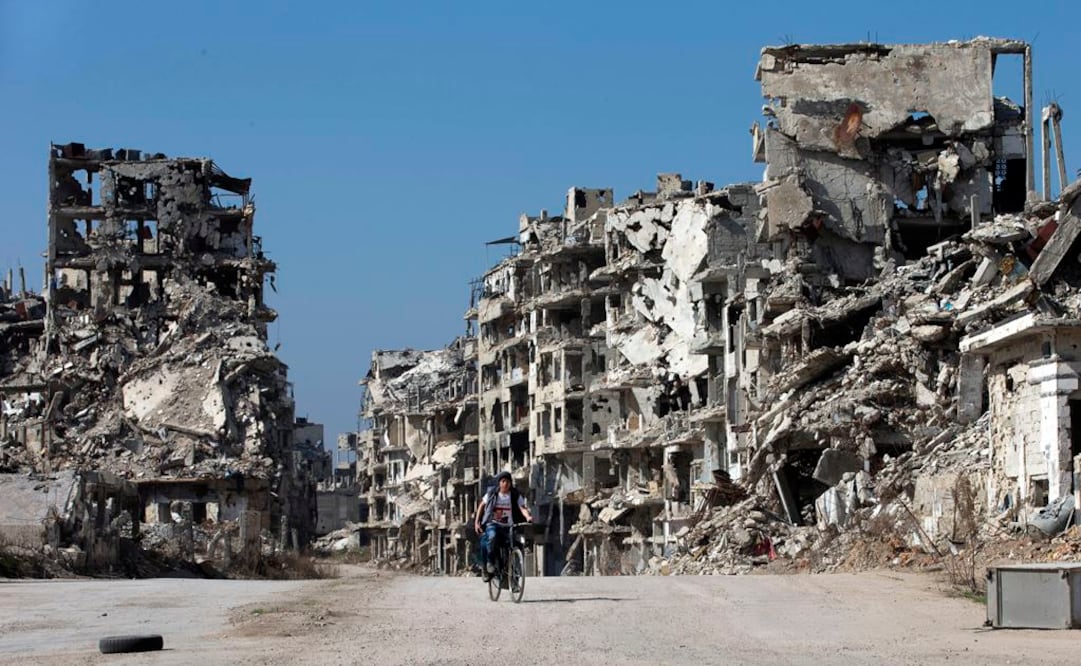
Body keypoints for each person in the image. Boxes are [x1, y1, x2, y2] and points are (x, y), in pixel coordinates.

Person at [473, 471, 532, 580]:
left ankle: (514, 579)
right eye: (503, 481)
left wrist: (528, 517)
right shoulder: (492, 493)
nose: (506, 484)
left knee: (515, 546)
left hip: (509, 527)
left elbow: (522, 508)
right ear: (499, 483)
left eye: (508, 481)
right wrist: (477, 522)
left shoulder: (514, 494)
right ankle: (490, 562)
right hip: (493, 524)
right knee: (492, 536)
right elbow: (482, 505)